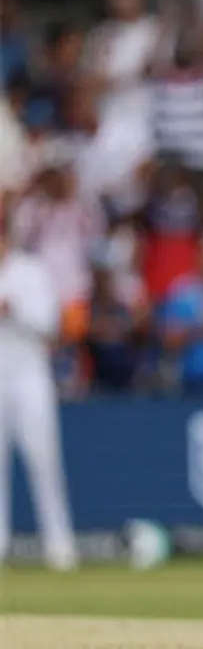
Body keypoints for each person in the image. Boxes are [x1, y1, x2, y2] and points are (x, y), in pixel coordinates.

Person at [0, 195, 78, 571]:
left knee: (43, 460)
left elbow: (50, 325)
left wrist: (14, 310)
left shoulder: (30, 270)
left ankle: (59, 545)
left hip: (30, 375)